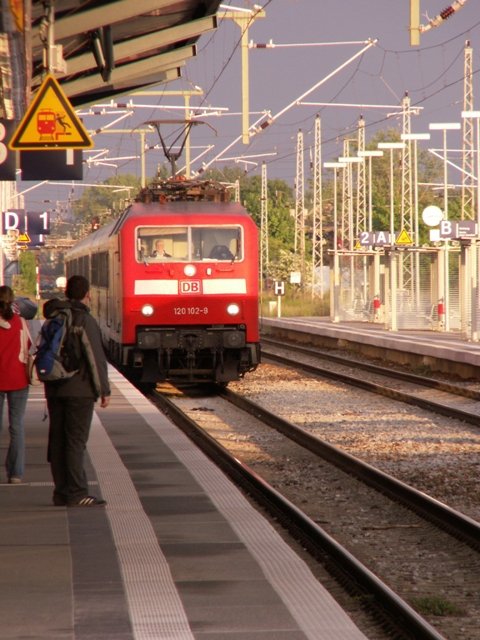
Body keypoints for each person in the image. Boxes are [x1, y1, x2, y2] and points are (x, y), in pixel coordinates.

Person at [43, 275, 111, 507]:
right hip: (78, 389)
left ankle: (61, 492)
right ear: (87, 294)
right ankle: (77, 492)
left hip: (54, 387)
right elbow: (95, 358)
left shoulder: (54, 316)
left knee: (58, 438)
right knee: (75, 441)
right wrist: (104, 390)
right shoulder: (84, 320)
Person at [0, 286, 31, 484]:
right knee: (17, 426)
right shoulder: (20, 322)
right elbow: (27, 347)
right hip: (18, 378)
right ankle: (16, 473)